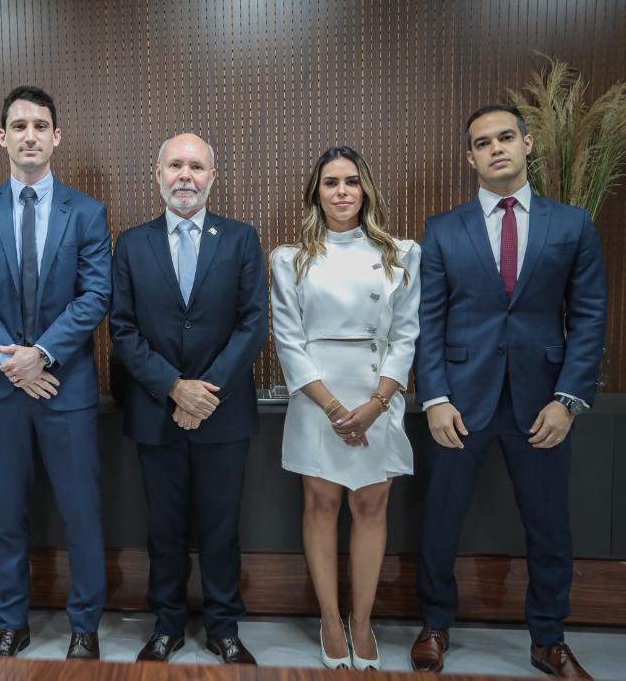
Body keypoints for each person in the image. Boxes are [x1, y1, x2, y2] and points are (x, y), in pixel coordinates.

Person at [411, 105, 605, 679]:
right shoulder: (442, 229)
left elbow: (589, 318)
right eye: (482, 142)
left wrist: (568, 400)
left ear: (527, 144)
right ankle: (434, 624)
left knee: (550, 527)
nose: (495, 148)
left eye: (505, 137)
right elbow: (428, 320)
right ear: (470, 157)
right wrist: (434, 397)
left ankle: (548, 638)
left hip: (543, 404)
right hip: (459, 402)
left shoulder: (572, 225)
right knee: (440, 521)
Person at [0, 86, 110, 660]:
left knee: (81, 513)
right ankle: (10, 624)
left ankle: (84, 627)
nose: (30, 136)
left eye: (40, 126)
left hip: (65, 387)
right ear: (3, 137)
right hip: (2, 390)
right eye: (19, 126)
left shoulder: (86, 212)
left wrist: (40, 354)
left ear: (56, 137)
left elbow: (95, 296)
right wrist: (11, 362)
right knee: (6, 515)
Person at [109, 133, 266, 665]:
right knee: (164, 528)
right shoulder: (132, 244)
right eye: (175, 165)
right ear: (157, 174)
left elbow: (252, 324)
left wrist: (204, 393)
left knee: (222, 527)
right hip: (157, 409)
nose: (185, 176)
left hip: (224, 412)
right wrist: (175, 387)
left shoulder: (241, 239)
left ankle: (224, 627)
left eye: (196, 167)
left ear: (212, 178)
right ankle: (167, 624)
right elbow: (122, 328)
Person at [270, 146, 420, 670]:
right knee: (321, 504)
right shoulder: (289, 259)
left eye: (351, 181)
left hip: (378, 393)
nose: (341, 192)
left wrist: (376, 405)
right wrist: (335, 408)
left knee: (372, 506)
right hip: (317, 396)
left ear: (365, 190)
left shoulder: (401, 253)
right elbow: (288, 341)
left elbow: (406, 336)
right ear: (317, 191)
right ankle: (331, 620)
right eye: (330, 182)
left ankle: (362, 620)